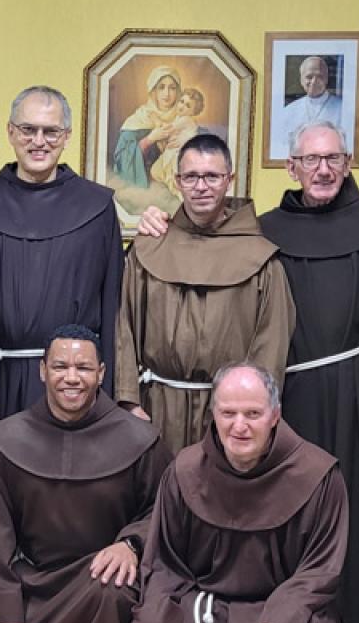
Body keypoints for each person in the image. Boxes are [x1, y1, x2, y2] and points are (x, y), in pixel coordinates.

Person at [129, 363, 354, 623]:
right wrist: (155, 612)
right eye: (228, 413)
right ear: (213, 414)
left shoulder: (319, 475)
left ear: (275, 414)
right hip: (204, 603)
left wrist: (286, 617)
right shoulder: (185, 470)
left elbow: (322, 567)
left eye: (253, 414)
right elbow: (162, 560)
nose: (239, 426)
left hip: (283, 602)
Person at [248, 122, 359, 623]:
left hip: (356, 384)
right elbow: (203, 236)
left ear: (347, 163)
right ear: (291, 167)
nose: (323, 169)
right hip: (291, 388)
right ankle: (289, 616)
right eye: (311, 159)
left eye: (333, 159)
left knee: (356, 495)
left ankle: (355, 612)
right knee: (292, 498)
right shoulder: (261, 230)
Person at [0, 86, 124, 598]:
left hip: (70, 384)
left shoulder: (96, 207)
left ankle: (60, 604)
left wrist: (109, 386)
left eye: (50, 131)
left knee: (64, 501)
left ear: (66, 136)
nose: (39, 140)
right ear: (11, 133)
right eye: (28, 129)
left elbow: (112, 303)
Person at [0, 326, 168, 623]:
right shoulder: (4, 440)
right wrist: (6, 615)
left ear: (101, 373)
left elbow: (164, 509)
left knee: (112, 593)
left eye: (83, 367)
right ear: (42, 371)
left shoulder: (141, 440)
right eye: (60, 366)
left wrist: (131, 544)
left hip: (102, 578)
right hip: (36, 586)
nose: (71, 377)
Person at [115, 134, 294, 454]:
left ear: (229, 179)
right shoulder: (148, 249)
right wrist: (128, 401)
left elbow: (271, 344)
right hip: (157, 407)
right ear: (177, 181)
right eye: (191, 177)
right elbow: (123, 328)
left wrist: (251, 413)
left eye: (212, 176)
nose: (201, 186)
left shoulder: (262, 261)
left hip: (230, 414)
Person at [111, 66, 184, 191]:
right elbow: (122, 161)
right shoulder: (138, 119)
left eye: (172, 88)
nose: (166, 93)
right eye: (161, 87)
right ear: (153, 91)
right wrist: (150, 139)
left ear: (178, 91)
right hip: (145, 189)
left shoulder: (184, 119)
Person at [271, 56, 348, 157]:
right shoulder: (288, 111)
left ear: (326, 79)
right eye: (309, 77)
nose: (314, 81)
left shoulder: (343, 109)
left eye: (319, 76)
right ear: (301, 80)